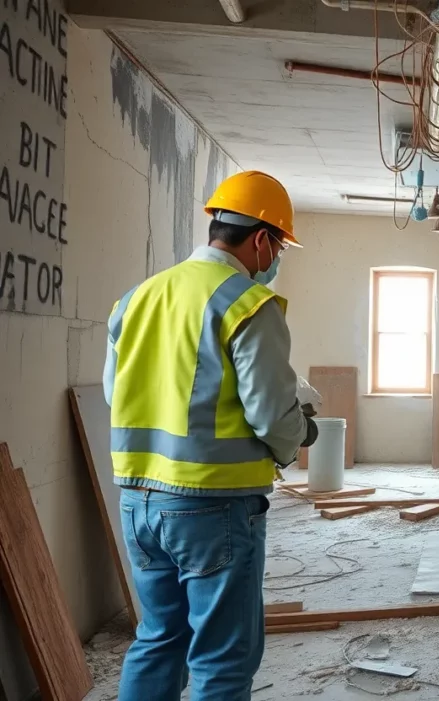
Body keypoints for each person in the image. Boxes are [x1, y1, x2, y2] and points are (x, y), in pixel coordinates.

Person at [103, 170, 319, 700]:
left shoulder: (137, 299)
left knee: (158, 639)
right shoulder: (247, 304)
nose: (275, 260)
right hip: (212, 506)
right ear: (263, 239)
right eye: (279, 247)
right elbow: (271, 414)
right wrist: (300, 436)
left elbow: (115, 393)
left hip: (137, 502)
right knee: (223, 660)